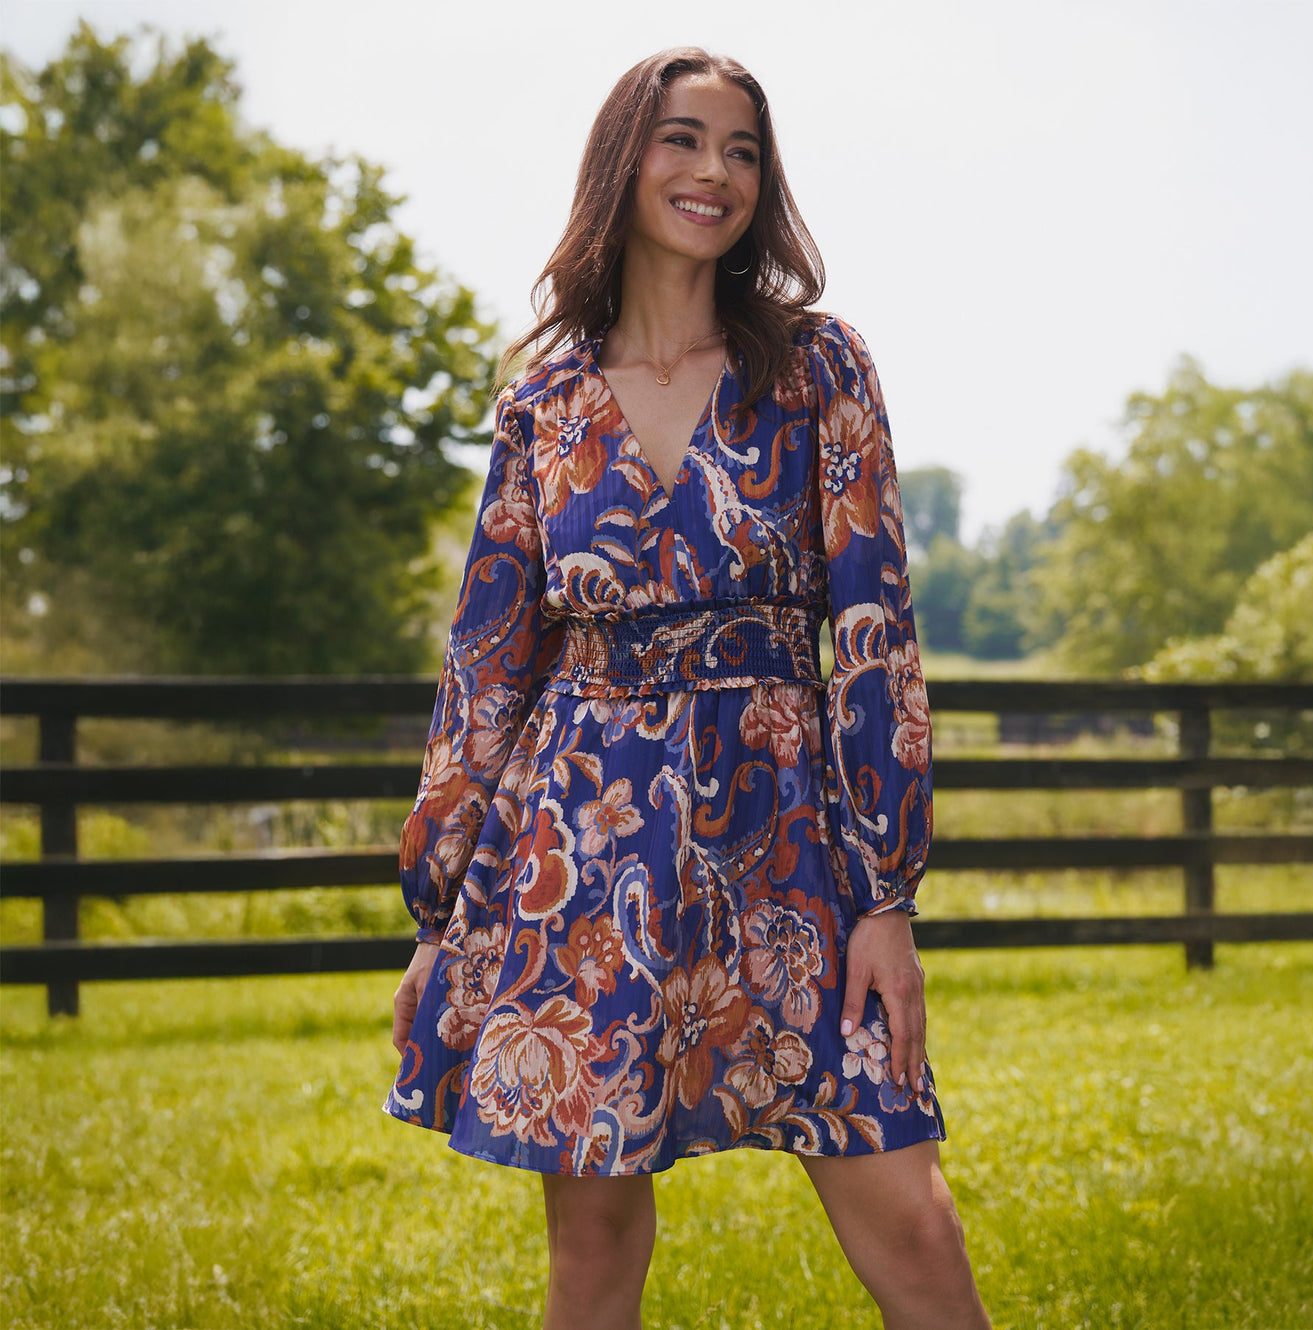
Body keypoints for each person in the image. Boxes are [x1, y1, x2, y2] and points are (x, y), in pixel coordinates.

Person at [384, 46, 992, 1330]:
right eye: (681, 139)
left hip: (785, 841)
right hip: (580, 844)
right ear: (624, 160)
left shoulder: (818, 369)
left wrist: (884, 896)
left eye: (741, 149)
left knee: (910, 1218)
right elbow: (484, 672)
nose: (713, 170)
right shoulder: (541, 404)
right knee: (593, 1244)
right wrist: (436, 917)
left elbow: (874, 633)